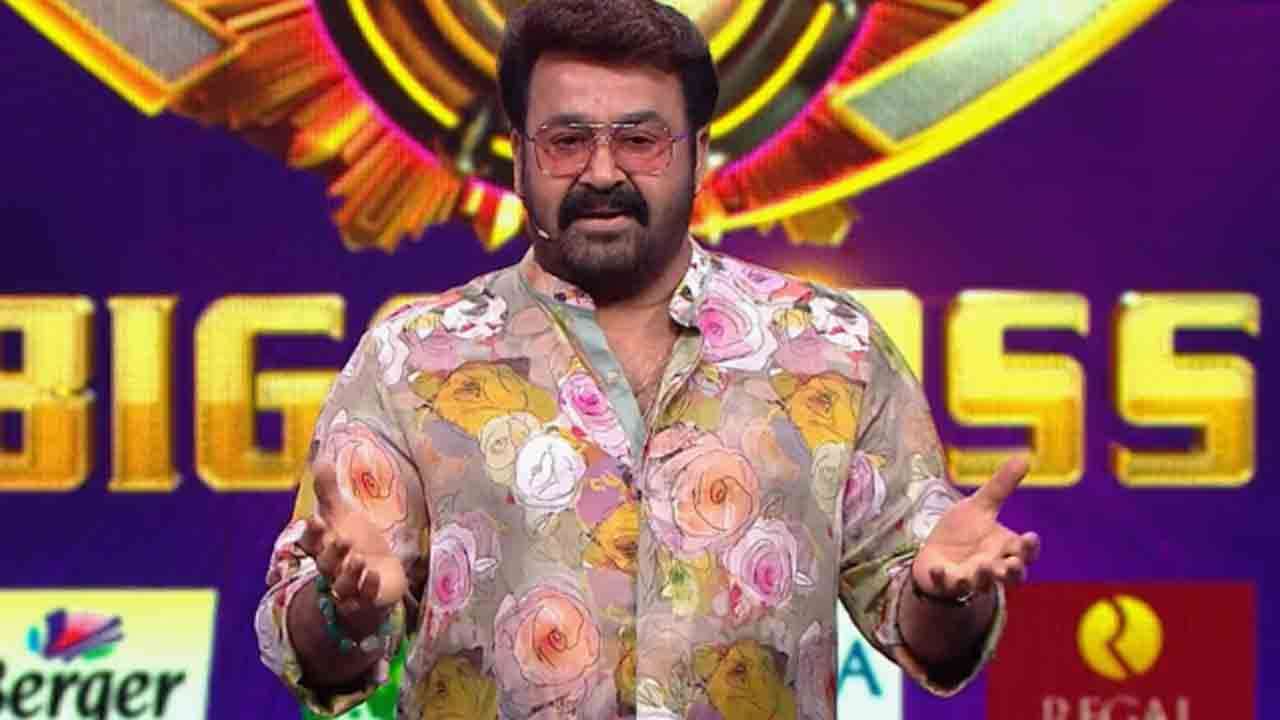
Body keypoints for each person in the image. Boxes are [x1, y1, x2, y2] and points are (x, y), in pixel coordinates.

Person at [255, 1, 1041, 717]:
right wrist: (341, 609)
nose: (602, 172)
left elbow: (931, 634)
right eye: (567, 140)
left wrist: (947, 595)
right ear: (519, 158)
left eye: (639, 139)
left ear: (698, 154)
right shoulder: (411, 360)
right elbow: (310, 651)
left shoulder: (832, 348)